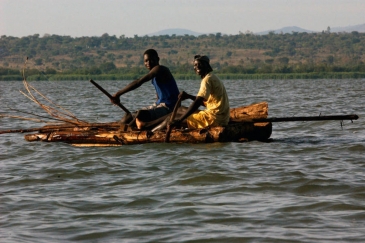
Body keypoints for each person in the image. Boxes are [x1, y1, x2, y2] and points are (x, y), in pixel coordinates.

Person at [110, 49, 180, 130]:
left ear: (158, 59)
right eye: (146, 61)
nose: (148, 63)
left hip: (169, 108)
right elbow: (158, 98)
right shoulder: (154, 76)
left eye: (151, 60)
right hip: (160, 106)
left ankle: (128, 130)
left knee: (140, 114)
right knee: (128, 116)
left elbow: (139, 82)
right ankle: (118, 128)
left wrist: (118, 94)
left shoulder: (159, 69)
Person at [168, 55, 230, 129]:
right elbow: (205, 102)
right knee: (180, 109)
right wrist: (189, 96)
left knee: (170, 119)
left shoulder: (207, 80)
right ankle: (150, 125)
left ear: (207, 66)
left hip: (214, 119)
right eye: (195, 65)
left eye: (200, 64)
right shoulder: (212, 77)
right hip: (221, 118)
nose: (197, 67)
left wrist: (180, 120)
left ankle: (151, 132)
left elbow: (198, 101)